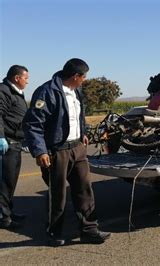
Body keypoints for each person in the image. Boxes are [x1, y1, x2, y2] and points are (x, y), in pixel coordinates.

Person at [23, 58, 110, 246]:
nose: (85, 80)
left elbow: (78, 115)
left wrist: (83, 133)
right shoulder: (47, 92)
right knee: (58, 194)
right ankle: (54, 232)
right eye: (84, 76)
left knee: (84, 189)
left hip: (77, 148)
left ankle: (89, 229)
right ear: (75, 76)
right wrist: (40, 151)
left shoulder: (76, 91)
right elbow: (33, 124)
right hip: (56, 151)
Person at [0, 65, 29, 230]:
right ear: (17, 78)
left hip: (16, 142)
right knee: (4, 182)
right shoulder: (3, 90)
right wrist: (1, 137)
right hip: (7, 144)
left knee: (11, 181)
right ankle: (4, 218)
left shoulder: (15, 91)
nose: (27, 81)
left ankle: (8, 211)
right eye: (26, 78)